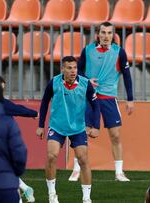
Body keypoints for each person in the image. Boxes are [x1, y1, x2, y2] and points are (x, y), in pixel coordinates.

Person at [69, 21, 134, 182]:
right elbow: (78, 71)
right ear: (98, 34)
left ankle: (119, 172)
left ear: (113, 35)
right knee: (81, 133)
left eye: (109, 33)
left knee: (116, 135)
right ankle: (77, 169)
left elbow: (127, 76)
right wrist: (86, 80)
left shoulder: (119, 52)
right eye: (103, 32)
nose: (106, 36)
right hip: (88, 97)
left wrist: (130, 99)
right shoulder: (88, 50)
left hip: (109, 98)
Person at [36, 56, 100, 203]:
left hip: (77, 128)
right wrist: (40, 125)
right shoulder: (54, 82)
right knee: (52, 156)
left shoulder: (85, 83)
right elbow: (45, 103)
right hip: (57, 126)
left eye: (75, 68)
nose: (73, 71)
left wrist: (96, 126)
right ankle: (52, 194)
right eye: (69, 68)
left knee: (83, 159)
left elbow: (96, 106)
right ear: (62, 69)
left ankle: (86, 198)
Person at [0, 74, 36, 203]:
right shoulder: (8, 121)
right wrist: (33, 113)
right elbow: (19, 156)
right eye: (1, 89)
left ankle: (24, 188)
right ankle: (24, 188)